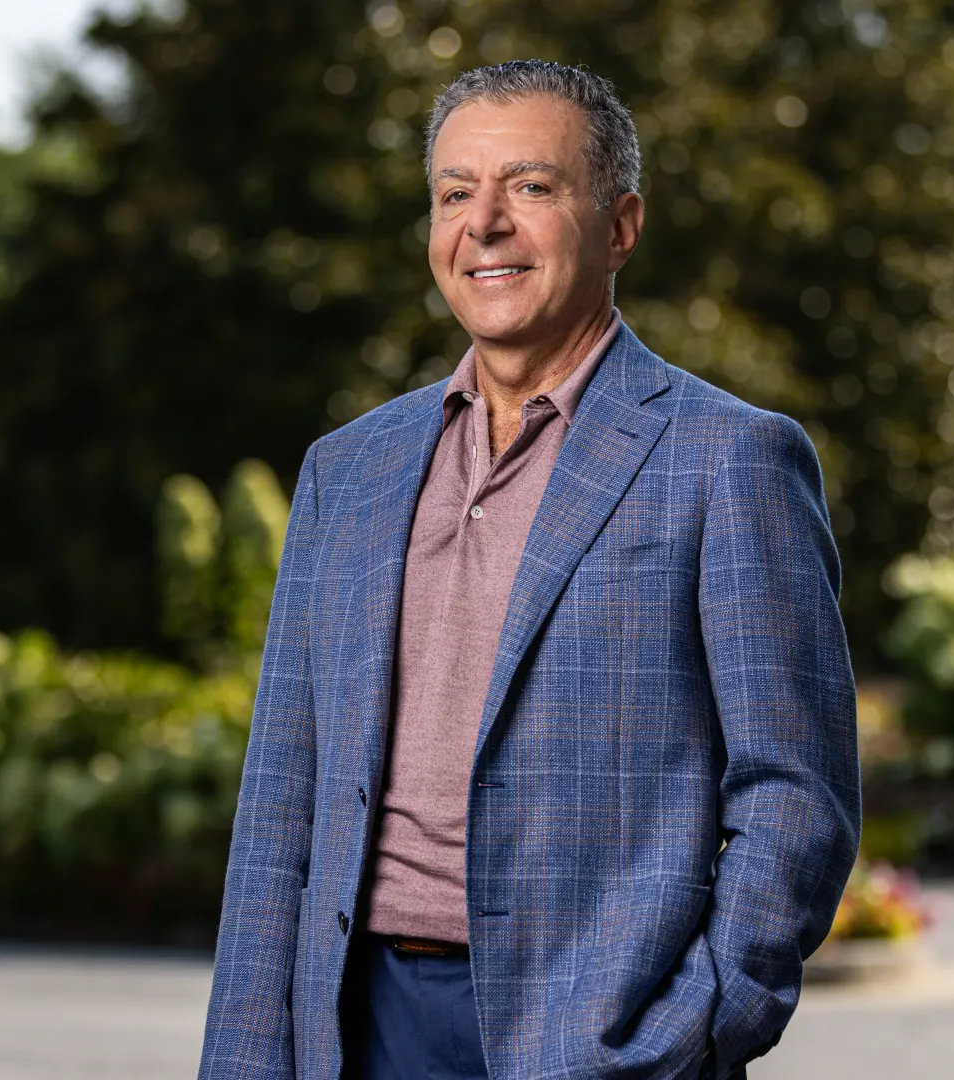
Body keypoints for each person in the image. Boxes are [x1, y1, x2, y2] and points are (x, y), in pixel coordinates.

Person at [198, 59, 859, 1080]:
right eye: (455, 193)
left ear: (622, 224)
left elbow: (796, 797)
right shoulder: (350, 469)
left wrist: (695, 1028)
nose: (485, 223)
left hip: (597, 1037)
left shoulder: (729, 459)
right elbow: (282, 800)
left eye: (531, 187)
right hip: (354, 1026)